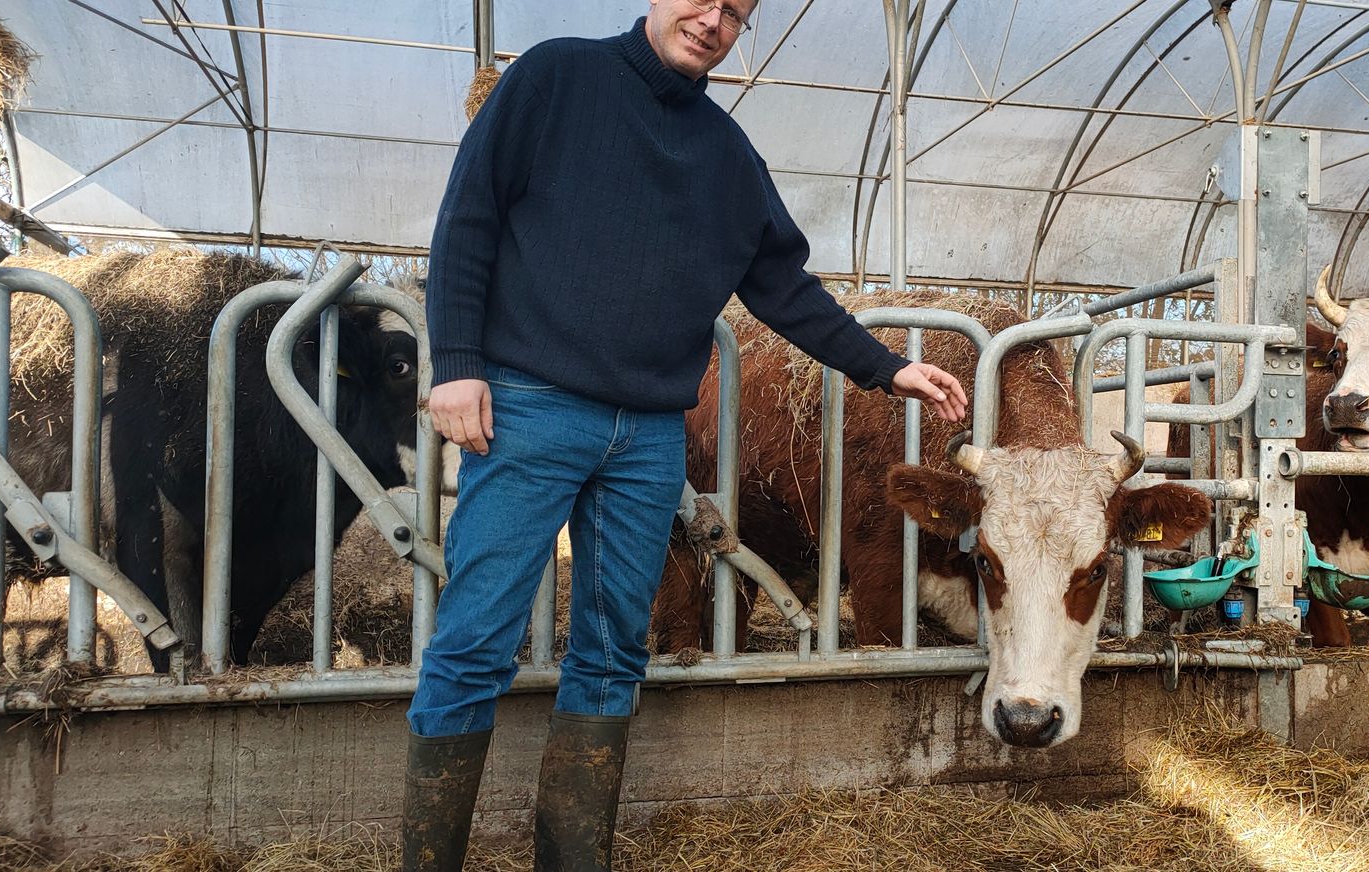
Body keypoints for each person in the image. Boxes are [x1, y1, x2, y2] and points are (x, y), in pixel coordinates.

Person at [399, 2, 968, 870]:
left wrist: (884, 367)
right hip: (531, 405)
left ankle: (571, 860)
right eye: (702, 0)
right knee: (477, 638)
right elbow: (469, 214)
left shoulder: (725, 154)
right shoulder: (554, 78)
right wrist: (459, 361)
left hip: (650, 434)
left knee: (614, 647)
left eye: (736, 12)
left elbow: (783, 285)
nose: (713, 21)